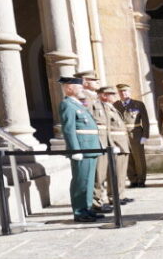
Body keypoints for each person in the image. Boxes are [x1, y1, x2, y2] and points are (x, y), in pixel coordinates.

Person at [58, 76, 103, 223]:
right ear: (69, 88)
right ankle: (79, 211)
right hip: (82, 149)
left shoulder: (78, 104)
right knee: (81, 181)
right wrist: (75, 150)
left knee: (89, 181)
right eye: (79, 87)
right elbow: (69, 129)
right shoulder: (67, 104)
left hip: (90, 148)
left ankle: (87, 208)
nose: (82, 89)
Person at [91, 86, 130, 210]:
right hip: (112, 143)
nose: (115, 96)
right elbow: (105, 129)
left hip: (120, 143)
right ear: (104, 95)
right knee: (103, 174)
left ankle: (118, 196)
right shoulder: (102, 107)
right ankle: (106, 199)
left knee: (120, 172)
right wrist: (111, 144)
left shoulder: (110, 107)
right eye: (111, 94)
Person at [114, 84, 149, 187]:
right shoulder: (115, 105)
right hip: (122, 135)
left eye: (125, 91)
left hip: (136, 133)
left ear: (129, 92)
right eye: (121, 91)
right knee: (127, 157)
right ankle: (133, 179)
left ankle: (141, 179)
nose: (123, 93)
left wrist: (145, 135)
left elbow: (145, 121)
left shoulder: (138, 104)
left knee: (139, 158)